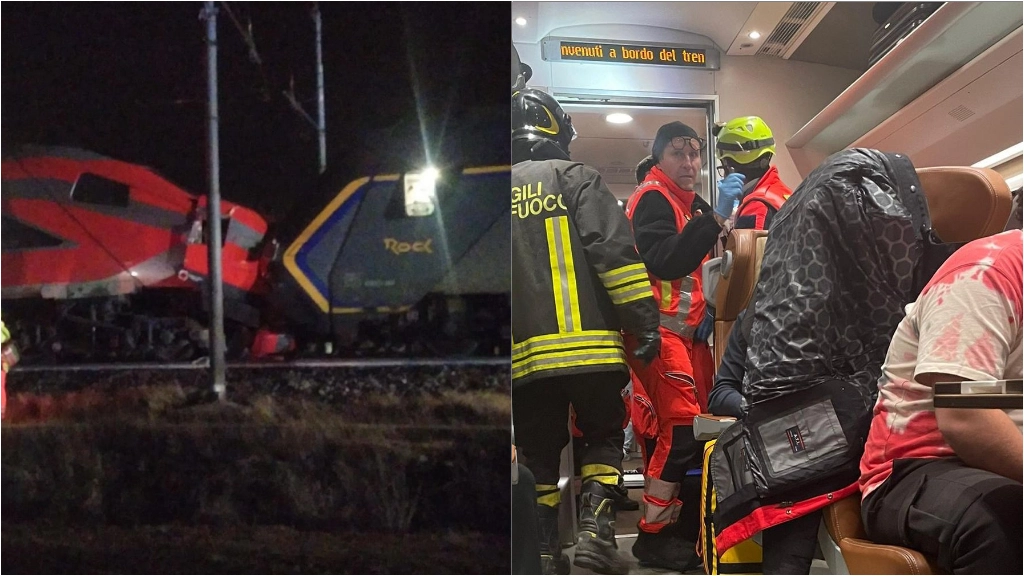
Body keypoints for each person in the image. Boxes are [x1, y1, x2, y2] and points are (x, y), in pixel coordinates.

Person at [511, 87, 661, 575]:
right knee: (602, 434)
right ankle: (598, 534)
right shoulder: (575, 177)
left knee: (537, 454)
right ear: (556, 128)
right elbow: (615, 257)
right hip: (591, 348)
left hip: (523, 360)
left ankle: (541, 551)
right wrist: (642, 324)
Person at [858, 228, 1023, 574]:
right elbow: (964, 416)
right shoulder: (988, 272)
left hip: (997, 461)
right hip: (917, 466)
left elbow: (1005, 390)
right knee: (1007, 516)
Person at [623, 121, 745, 571]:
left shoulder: (688, 204)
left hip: (688, 335)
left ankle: (685, 527)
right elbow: (666, 259)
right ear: (659, 159)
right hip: (657, 333)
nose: (689, 163)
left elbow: (702, 265)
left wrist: (710, 311)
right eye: (678, 154)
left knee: (698, 430)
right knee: (678, 431)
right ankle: (651, 537)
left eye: (695, 155)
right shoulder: (653, 197)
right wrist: (715, 218)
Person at [713, 116, 792, 231]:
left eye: (724, 167)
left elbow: (746, 249)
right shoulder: (782, 192)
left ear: (732, 168)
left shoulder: (756, 207)